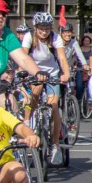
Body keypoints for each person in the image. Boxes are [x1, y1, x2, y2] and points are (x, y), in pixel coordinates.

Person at [20, 12, 71, 166]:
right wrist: (23, 72)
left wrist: (66, 73)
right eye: (41, 29)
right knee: (35, 91)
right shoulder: (29, 37)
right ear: (35, 28)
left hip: (52, 74)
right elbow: (23, 56)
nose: (44, 32)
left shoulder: (56, 38)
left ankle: (55, 145)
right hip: (34, 71)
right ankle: (28, 120)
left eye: (47, 29)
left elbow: (62, 57)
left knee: (54, 105)